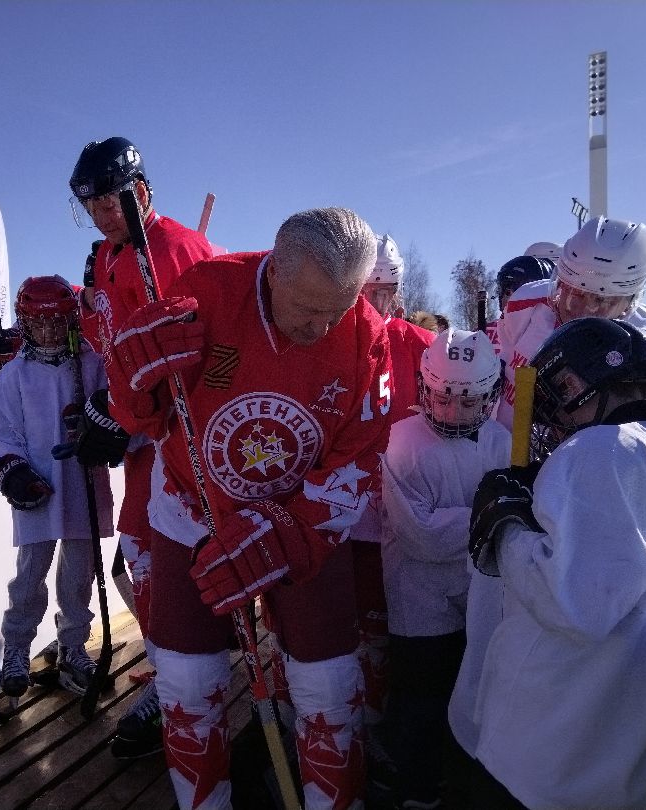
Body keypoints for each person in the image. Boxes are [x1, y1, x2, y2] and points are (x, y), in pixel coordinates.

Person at [108, 207, 393, 810]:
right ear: (272, 272)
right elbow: (144, 416)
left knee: (330, 684)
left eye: (337, 308)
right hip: (192, 510)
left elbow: (359, 459)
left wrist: (286, 535)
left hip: (300, 522)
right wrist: (130, 381)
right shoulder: (207, 291)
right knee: (186, 681)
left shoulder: (368, 338)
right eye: (307, 308)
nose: (321, 326)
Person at [466, 317, 646, 809]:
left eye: (562, 398)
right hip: (620, 760)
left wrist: (505, 531)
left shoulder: (604, 449)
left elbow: (578, 604)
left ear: (577, 382)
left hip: (541, 749)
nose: (564, 424)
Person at [69, 136, 214, 758]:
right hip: (141, 437)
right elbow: (113, 341)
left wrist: (120, 414)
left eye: (109, 203)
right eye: (92, 207)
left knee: (168, 554)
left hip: (179, 433)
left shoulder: (176, 249)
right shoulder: (107, 255)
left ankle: (191, 674)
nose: (102, 218)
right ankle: (171, 665)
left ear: (140, 192)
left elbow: (194, 354)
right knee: (138, 552)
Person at [379, 330, 509, 810]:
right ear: (424, 387)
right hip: (420, 596)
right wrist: (489, 518)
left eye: (468, 400)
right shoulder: (401, 442)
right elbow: (421, 538)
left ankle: (461, 782)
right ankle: (418, 789)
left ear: (490, 394)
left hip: (480, 593)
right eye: (443, 397)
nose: (453, 411)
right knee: (421, 699)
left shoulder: (504, 443)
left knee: (475, 691)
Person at [0, 276, 114, 699]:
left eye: (58, 322)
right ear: (26, 324)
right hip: (37, 486)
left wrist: (102, 432)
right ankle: (17, 648)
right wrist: (12, 471)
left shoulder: (93, 365)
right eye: (40, 323)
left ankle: (73, 646)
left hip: (82, 484)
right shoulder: (14, 375)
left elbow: (116, 412)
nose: (50, 330)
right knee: (29, 575)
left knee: (79, 575)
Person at [495, 216, 646, 447]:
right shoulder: (524, 305)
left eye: (604, 300)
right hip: (507, 461)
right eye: (576, 294)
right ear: (560, 282)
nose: (586, 310)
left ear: (630, 301)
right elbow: (506, 373)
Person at [353, 233, 435, 776]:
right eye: (369, 290)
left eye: (388, 290)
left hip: (403, 506)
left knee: (393, 626)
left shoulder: (419, 343)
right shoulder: (331, 338)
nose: (379, 303)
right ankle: (345, 726)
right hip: (348, 511)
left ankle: (383, 729)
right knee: (351, 623)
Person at [484, 254, 554, 357]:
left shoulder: (557, 338)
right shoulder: (487, 333)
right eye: (501, 292)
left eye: (509, 292)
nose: (503, 300)